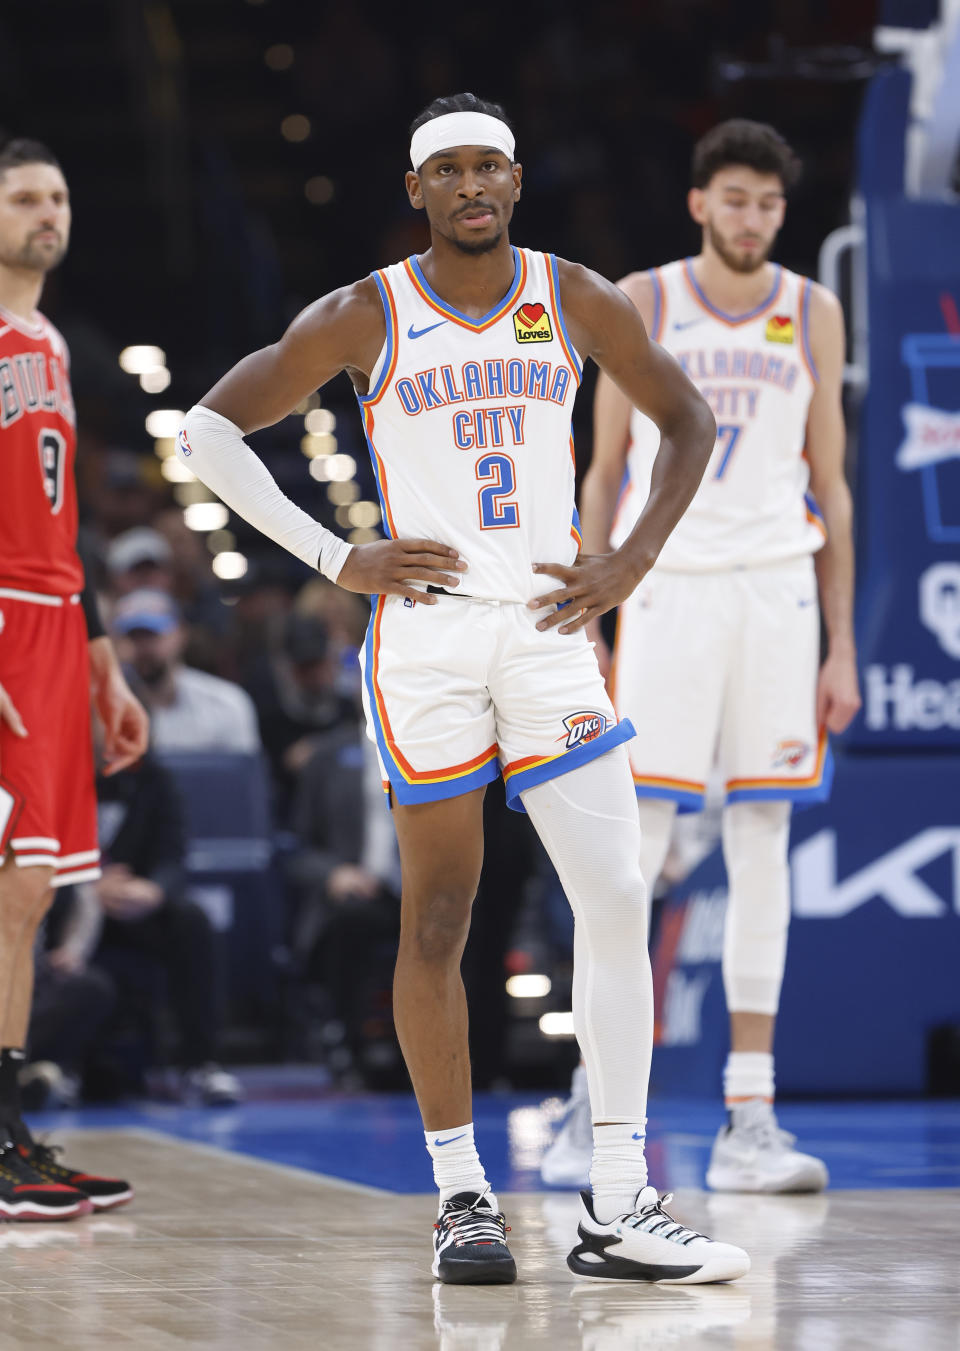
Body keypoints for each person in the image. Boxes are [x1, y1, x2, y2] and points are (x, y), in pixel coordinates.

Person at [177, 93, 750, 1286]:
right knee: (439, 919)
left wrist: (631, 561)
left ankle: (618, 1197)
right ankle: (460, 1194)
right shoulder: (364, 313)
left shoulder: (573, 293)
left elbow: (690, 422)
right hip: (427, 645)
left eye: (493, 167)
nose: (475, 186)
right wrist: (339, 557)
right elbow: (211, 431)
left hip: (547, 634)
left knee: (615, 894)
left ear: (518, 181)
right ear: (418, 190)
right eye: (453, 171)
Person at [544, 119, 861, 1194]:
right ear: (698, 203)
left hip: (778, 593)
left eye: (768, 204)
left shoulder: (814, 310)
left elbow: (835, 485)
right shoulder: (646, 299)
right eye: (733, 198)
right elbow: (604, 470)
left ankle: (750, 1118)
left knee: (763, 836)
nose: (751, 218)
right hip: (666, 591)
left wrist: (843, 641)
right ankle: (598, 1099)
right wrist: (592, 593)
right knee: (639, 852)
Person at [0, 137, 149, 1218]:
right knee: (11, 888)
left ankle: (11, 1130)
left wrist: (105, 667)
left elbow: (63, 524)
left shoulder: (49, 339)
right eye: (21, 199)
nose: (45, 212)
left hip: (56, 625)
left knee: (32, 894)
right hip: (5, 619)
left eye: (55, 194)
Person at [111, 589, 260, 754]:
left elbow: (242, 774)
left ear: (181, 634)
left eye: (152, 635)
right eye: (133, 636)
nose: (143, 647)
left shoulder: (225, 703)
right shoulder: (103, 709)